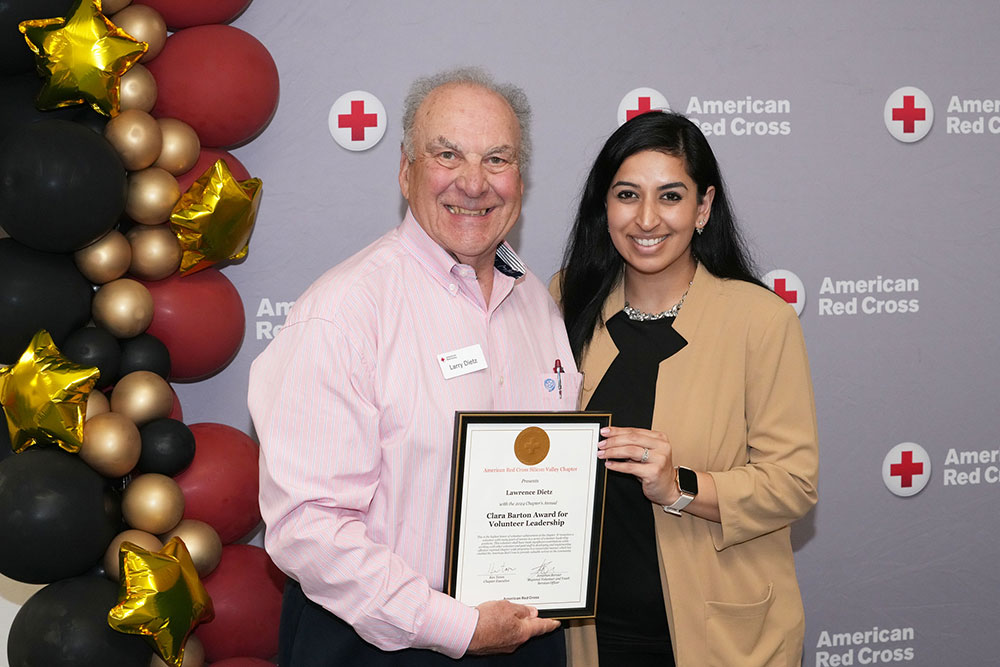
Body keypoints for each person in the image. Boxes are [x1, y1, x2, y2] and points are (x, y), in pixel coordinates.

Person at [247, 68, 580, 666]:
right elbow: (309, 526)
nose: (474, 183)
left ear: (520, 179)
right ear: (407, 170)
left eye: (497, 159)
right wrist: (453, 625)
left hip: (524, 636)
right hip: (379, 643)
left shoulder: (535, 302)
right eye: (447, 154)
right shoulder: (344, 311)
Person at [554, 111, 819, 667]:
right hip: (589, 636)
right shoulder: (562, 302)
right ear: (604, 207)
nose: (646, 218)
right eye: (628, 194)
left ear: (703, 209)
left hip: (721, 636)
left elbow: (793, 485)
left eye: (670, 196)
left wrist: (681, 487)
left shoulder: (759, 321)